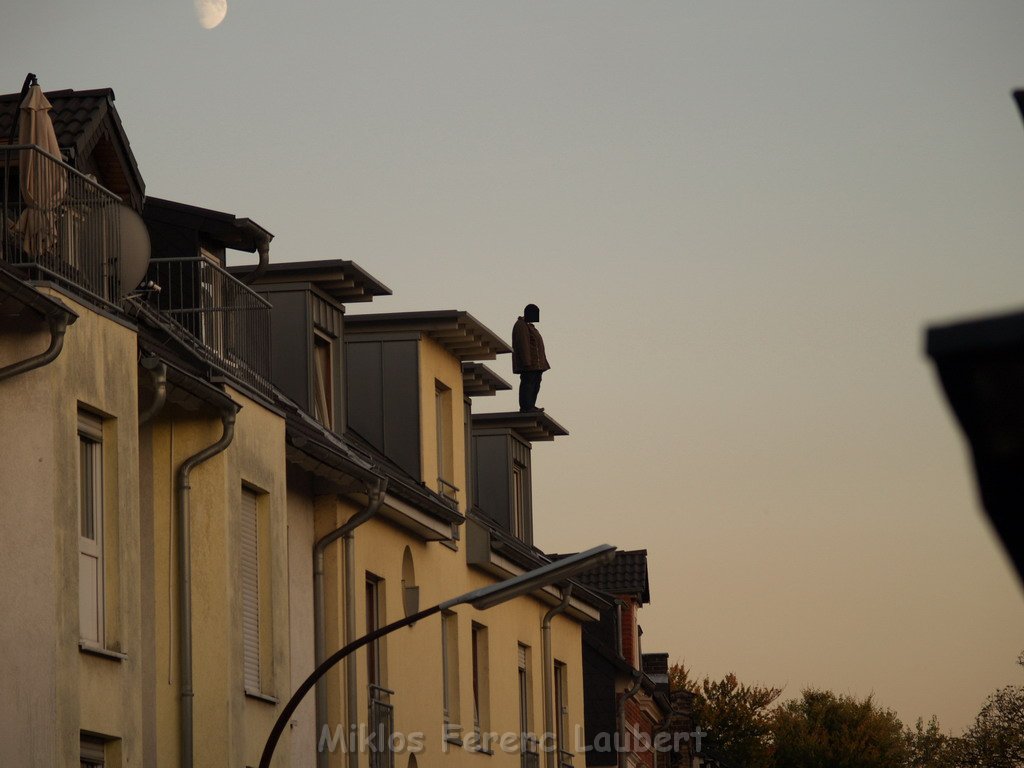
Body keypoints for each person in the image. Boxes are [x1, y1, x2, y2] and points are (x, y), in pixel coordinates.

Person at [512, 303, 550, 412]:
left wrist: (543, 363)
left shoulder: (530, 326)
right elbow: (522, 344)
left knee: (535, 384)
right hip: (529, 364)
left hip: (537, 364)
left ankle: (531, 405)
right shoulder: (521, 325)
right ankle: (526, 407)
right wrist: (526, 361)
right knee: (528, 384)